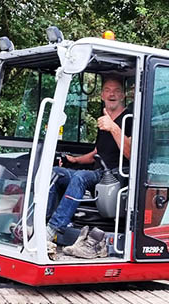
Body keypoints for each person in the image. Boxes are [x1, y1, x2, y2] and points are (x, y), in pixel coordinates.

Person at [45, 75, 133, 256]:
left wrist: (114, 127)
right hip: (98, 170)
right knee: (56, 173)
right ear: (101, 95)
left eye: (116, 91)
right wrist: (75, 160)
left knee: (80, 177)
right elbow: (96, 152)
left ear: (123, 96)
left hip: (116, 175)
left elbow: (130, 153)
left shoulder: (130, 119)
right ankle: (42, 223)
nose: (112, 94)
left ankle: (52, 230)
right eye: (108, 90)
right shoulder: (104, 118)